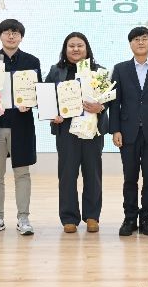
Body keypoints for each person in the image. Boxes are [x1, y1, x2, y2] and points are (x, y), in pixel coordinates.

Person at [0, 19, 42, 237]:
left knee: (22, 173)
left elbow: (38, 93)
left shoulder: (31, 61)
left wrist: (31, 102)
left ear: (21, 37)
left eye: (15, 33)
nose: (11, 36)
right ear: (0, 36)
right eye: (7, 32)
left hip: (21, 124)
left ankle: (23, 218)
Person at [109, 26, 148, 236]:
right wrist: (115, 130)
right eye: (136, 39)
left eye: (144, 38)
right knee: (130, 177)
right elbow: (115, 103)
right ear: (130, 44)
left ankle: (147, 218)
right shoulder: (120, 69)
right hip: (127, 132)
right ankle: (129, 218)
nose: (141, 42)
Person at [45, 32, 107, 234]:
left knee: (93, 173)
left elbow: (110, 99)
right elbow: (45, 97)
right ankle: (69, 217)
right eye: (71, 45)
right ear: (65, 49)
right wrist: (52, 114)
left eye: (80, 45)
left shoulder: (99, 71)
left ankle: (92, 216)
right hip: (66, 130)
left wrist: (101, 107)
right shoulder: (56, 71)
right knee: (67, 175)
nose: (76, 49)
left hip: (92, 130)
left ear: (87, 49)